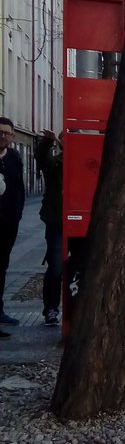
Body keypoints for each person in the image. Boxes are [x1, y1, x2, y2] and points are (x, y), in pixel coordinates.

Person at [35, 130, 63, 327]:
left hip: (83, 220)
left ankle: (78, 306)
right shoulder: (55, 163)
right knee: (55, 267)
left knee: (83, 266)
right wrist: (47, 142)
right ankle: (51, 309)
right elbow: (41, 158)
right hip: (56, 221)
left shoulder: (86, 160)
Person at [0, 117, 25, 332]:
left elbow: (19, 187)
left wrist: (17, 213)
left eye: (7, 133)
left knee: (2, 266)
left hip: (8, 222)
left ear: (12, 136)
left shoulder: (15, 157)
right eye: (0, 132)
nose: (3, 136)